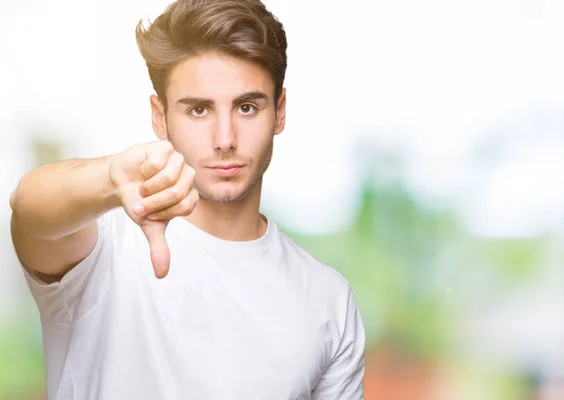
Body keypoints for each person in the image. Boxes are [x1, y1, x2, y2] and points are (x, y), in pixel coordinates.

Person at [9, 0, 366, 399]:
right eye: (198, 110)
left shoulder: (327, 299)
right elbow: (28, 208)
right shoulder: (103, 244)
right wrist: (111, 176)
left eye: (247, 107)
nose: (225, 139)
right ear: (159, 117)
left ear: (279, 111)